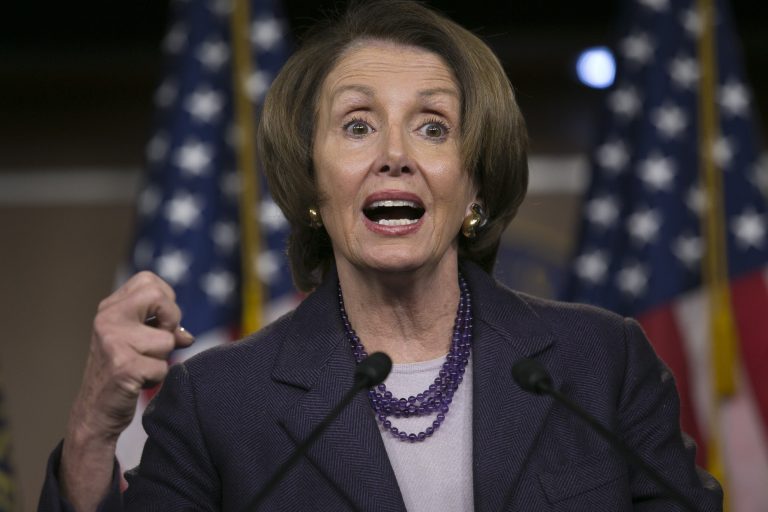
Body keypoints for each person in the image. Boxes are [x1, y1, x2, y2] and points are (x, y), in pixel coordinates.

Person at [40, 1, 723, 510]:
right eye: (357, 125)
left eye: (432, 127)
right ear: (312, 184)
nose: (394, 155)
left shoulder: (600, 363)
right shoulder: (216, 403)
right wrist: (92, 435)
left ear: (475, 186)